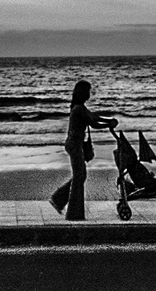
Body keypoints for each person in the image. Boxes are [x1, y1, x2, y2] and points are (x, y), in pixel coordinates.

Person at [49, 79, 116, 220]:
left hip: (75, 144)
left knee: (80, 175)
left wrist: (108, 120)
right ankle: (70, 209)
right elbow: (93, 123)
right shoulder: (79, 109)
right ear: (83, 93)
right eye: (88, 91)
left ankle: (61, 201)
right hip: (75, 144)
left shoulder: (80, 107)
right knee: (80, 176)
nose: (89, 94)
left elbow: (94, 117)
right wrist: (108, 125)